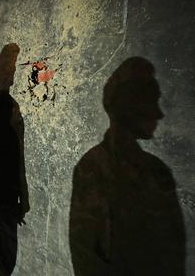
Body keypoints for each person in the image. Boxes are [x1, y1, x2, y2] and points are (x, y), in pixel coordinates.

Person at [69, 57, 185, 275]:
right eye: (151, 101)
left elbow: (173, 256)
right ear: (129, 106)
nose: (159, 114)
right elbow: (85, 255)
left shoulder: (157, 172)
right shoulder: (93, 169)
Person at [0, 43, 29, 276]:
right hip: (3, 188)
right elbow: (4, 154)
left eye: (12, 68)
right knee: (4, 245)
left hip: (4, 188)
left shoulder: (5, 105)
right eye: (8, 68)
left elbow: (16, 154)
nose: (11, 74)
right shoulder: (2, 107)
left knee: (0, 244)